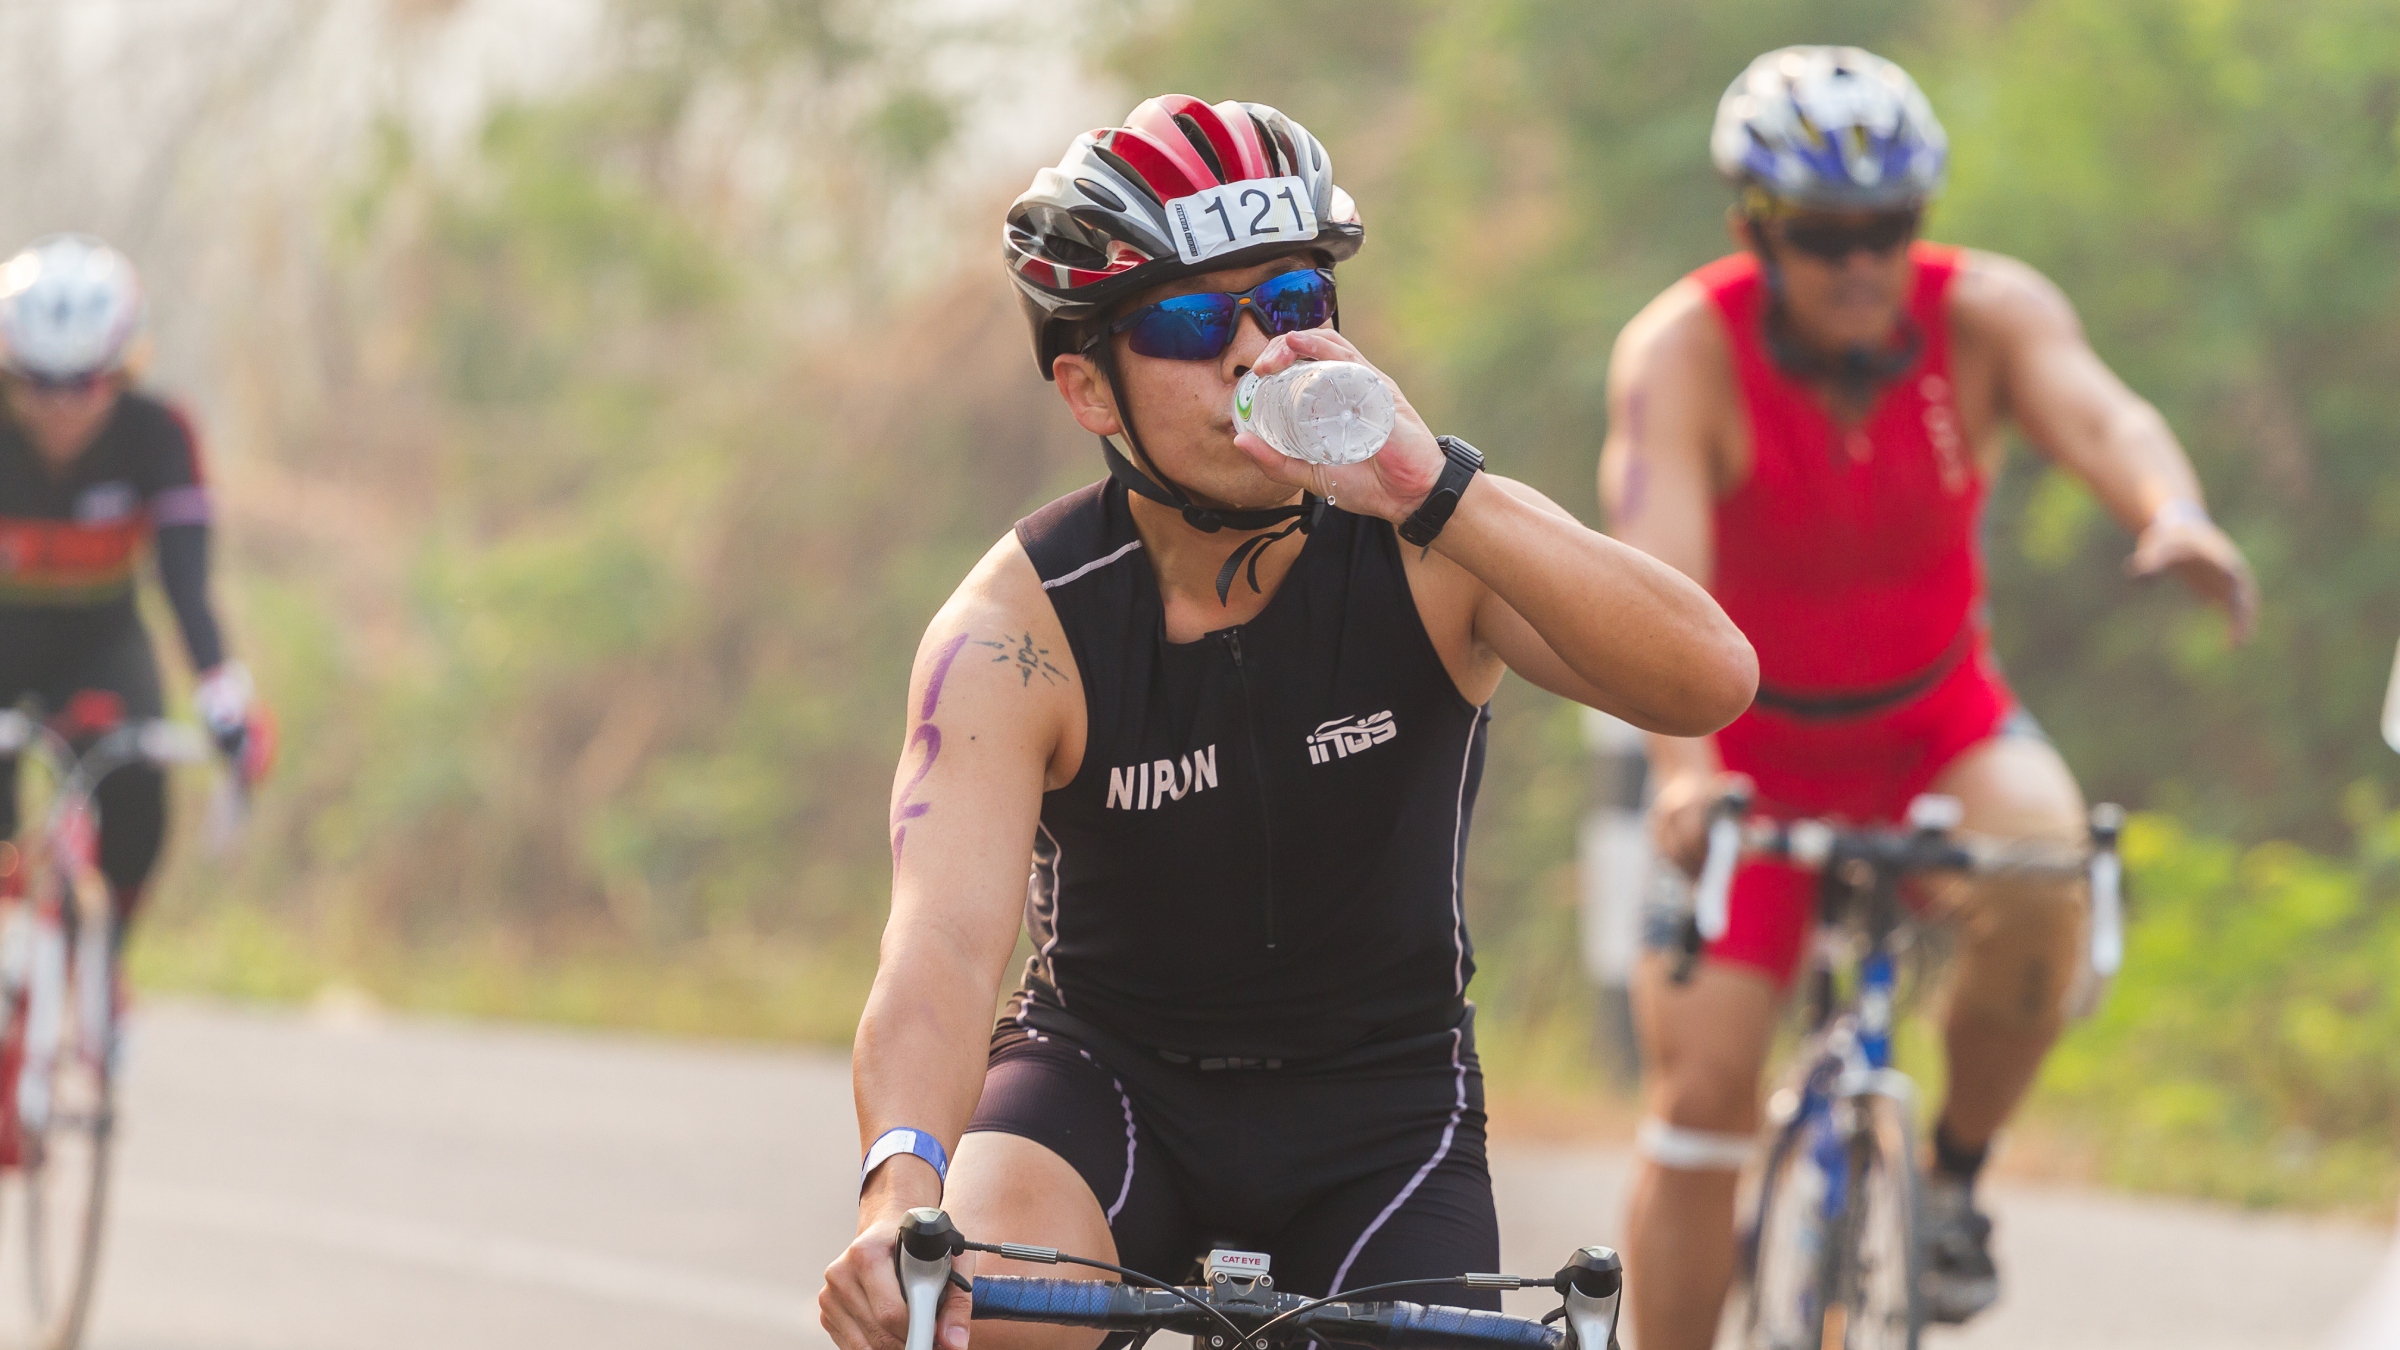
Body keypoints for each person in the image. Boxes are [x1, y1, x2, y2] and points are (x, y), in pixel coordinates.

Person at [819, 94, 1756, 1350]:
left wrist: (1437, 491)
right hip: (1108, 1086)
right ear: (1090, 389)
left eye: (1298, 304)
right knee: (973, 1313)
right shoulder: (1016, 631)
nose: (1259, 353)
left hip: (1381, 1105)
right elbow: (938, 946)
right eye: (1197, 321)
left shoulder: (1433, 540)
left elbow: (1711, 679)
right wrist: (899, 1195)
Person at [1598, 46, 2259, 1346]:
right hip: (1742, 743)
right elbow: (1649, 581)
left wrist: (2174, 512)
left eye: (1888, 230)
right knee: (1702, 1100)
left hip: (1934, 720)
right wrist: (1685, 774)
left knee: (2047, 859)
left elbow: (2102, 414)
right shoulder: (1684, 351)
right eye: (1823, 235)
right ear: (1756, 230)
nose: (1860, 263)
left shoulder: (1988, 313)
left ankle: (1951, 1175)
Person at [0, 234, 272, 940]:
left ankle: (103, 958)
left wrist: (221, 689)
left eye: (84, 384)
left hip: (102, 641)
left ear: (122, 371)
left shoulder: (159, 435)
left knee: (140, 802)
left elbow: (184, 578)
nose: (60, 408)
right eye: (37, 384)